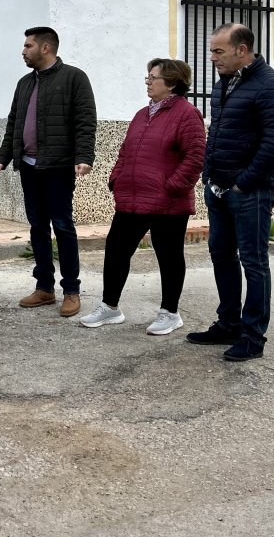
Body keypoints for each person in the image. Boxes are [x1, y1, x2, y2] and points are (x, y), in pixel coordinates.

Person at [187, 23, 274, 361]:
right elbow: (217, 132)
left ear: (242, 50)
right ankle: (228, 324)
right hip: (218, 188)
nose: (212, 57)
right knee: (221, 254)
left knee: (254, 261)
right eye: (212, 50)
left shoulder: (273, 87)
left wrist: (243, 182)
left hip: (252, 191)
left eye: (218, 51)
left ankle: (252, 336)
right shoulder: (224, 85)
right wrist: (209, 175)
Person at [79, 59, 205, 335]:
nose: (147, 81)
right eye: (147, 76)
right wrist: (117, 178)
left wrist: (171, 186)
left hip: (168, 202)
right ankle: (110, 307)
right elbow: (125, 151)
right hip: (132, 198)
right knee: (116, 251)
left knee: (169, 257)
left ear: (171, 83)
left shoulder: (187, 114)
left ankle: (169, 313)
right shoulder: (141, 114)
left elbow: (195, 158)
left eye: (153, 77)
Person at [0, 26, 96, 318]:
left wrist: (84, 156)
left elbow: (86, 120)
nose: (23, 51)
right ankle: (44, 288)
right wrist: (3, 157)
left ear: (46, 48)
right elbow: (14, 123)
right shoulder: (24, 83)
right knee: (37, 227)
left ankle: (71, 291)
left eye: (28, 46)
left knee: (62, 226)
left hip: (58, 166)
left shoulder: (74, 78)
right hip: (28, 165)